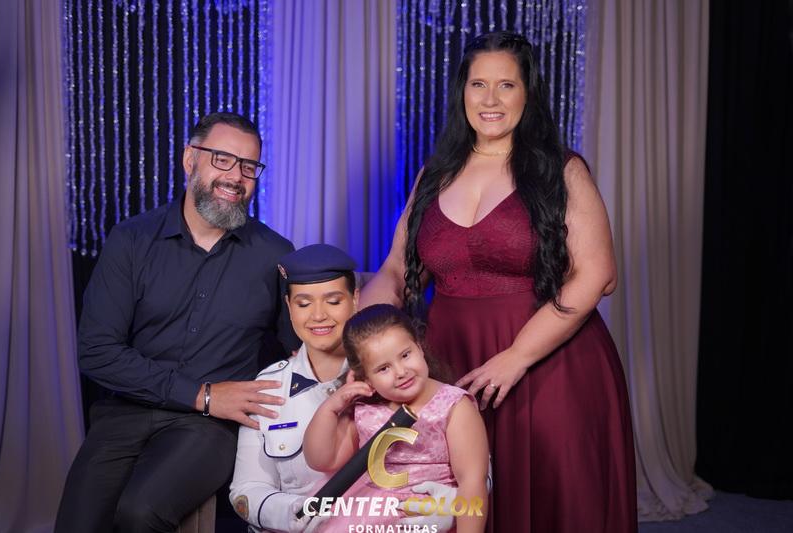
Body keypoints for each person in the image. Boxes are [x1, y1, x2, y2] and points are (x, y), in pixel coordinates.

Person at [360, 31, 637, 533]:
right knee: (458, 501)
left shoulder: (562, 170)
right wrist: (361, 342)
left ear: (527, 94)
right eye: (478, 84)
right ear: (462, 92)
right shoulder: (434, 175)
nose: (490, 99)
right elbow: (396, 269)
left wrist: (518, 356)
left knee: (553, 499)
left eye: (506, 85)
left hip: (549, 364)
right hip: (452, 363)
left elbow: (599, 274)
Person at [55, 112, 298, 533]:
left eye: (248, 166)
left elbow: (302, 345)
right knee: (77, 525)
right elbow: (96, 351)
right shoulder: (132, 239)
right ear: (190, 160)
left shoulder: (275, 253)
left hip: (211, 429)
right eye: (222, 159)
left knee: (139, 512)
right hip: (126, 412)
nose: (235, 177)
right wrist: (202, 394)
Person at [230, 246, 460, 533]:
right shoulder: (270, 386)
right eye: (303, 304)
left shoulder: (397, 373)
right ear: (288, 307)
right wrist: (299, 513)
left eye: (333, 301)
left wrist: (453, 504)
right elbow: (245, 490)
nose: (318, 315)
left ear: (355, 299)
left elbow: (469, 460)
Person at [303, 304, 489, 533]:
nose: (401, 372)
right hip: (365, 516)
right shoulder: (366, 410)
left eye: (405, 355)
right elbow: (322, 460)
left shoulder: (453, 405)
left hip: (426, 516)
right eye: (383, 369)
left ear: (419, 347)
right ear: (366, 378)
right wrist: (330, 408)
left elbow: (472, 482)